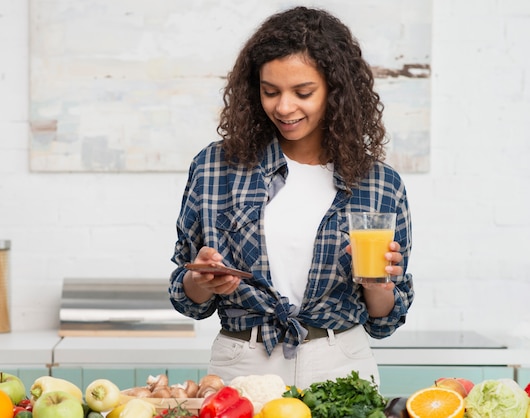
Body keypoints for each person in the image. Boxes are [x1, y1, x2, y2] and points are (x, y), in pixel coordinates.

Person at [168, 6, 414, 389]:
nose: (283, 107)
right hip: (242, 364)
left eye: (303, 92)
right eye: (270, 92)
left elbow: (384, 321)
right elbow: (187, 299)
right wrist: (201, 280)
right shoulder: (216, 167)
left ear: (337, 92)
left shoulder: (380, 184)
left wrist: (378, 286)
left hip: (340, 365)